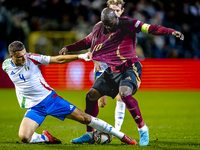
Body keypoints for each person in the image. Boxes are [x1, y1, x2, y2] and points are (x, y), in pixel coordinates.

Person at [59, 8, 184, 146]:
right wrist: (69, 48)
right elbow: (87, 41)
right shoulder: (99, 28)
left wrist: (170, 31)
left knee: (124, 93)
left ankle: (143, 129)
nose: (109, 27)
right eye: (106, 24)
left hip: (129, 68)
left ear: (116, 18)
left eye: (111, 23)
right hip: (111, 71)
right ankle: (89, 134)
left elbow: (150, 28)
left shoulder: (128, 24)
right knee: (91, 96)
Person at [2, 41, 138, 145]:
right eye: (20, 57)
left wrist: (81, 56)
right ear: (11, 56)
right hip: (34, 107)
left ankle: (121, 135)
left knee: (85, 118)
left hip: (51, 100)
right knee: (24, 137)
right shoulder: (6, 65)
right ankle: (46, 138)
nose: (24, 59)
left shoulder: (32, 58)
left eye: (25, 55)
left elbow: (58, 60)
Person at [94, 0, 126, 132]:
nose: (115, 13)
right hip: (102, 66)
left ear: (122, 11)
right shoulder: (100, 26)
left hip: (118, 67)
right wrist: (95, 61)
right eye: (112, 10)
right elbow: (93, 46)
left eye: (118, 11)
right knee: (102, 103)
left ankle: (117, 130)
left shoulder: (126, 26)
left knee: (121, 95)